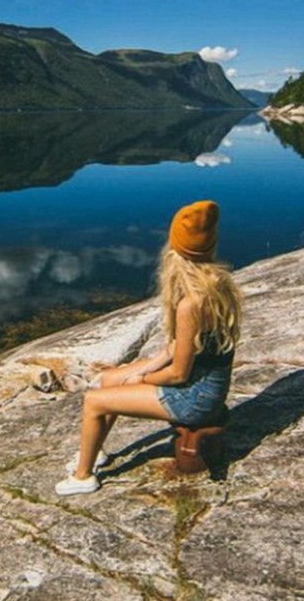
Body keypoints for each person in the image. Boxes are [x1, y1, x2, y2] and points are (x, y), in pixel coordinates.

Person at [55, 199, 242, 496]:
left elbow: (179, 374)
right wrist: (134, 371)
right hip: (206, 389)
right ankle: (96, 450)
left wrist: (141, 380)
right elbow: (173, 350)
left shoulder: (190, 304)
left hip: (195, 399)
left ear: (176, 251)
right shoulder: (218, 284)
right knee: (108, 379)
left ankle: (83, 477)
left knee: (94, 400)